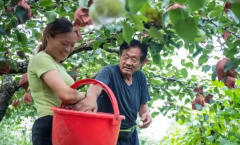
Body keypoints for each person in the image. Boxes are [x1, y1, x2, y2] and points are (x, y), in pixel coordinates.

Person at [72, 39, 152, 145]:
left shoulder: (140, 77)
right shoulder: (109, 71)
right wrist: (91, 97)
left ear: (141, 63)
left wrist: (146, 114)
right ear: (120, 56)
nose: (128, 62)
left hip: (130, 137)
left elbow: (143, 104)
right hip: (106, 135)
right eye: (125, 57)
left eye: (134, 59)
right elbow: (96, 86)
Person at [27, 18, 86, 145]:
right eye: (64, 43)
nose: (68, 49)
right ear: (48, 37)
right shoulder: (41, 58)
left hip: (63, 124)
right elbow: (66, 95)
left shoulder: (58, 66)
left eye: (72, 45)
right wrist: (87, 96)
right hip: (49, 124)